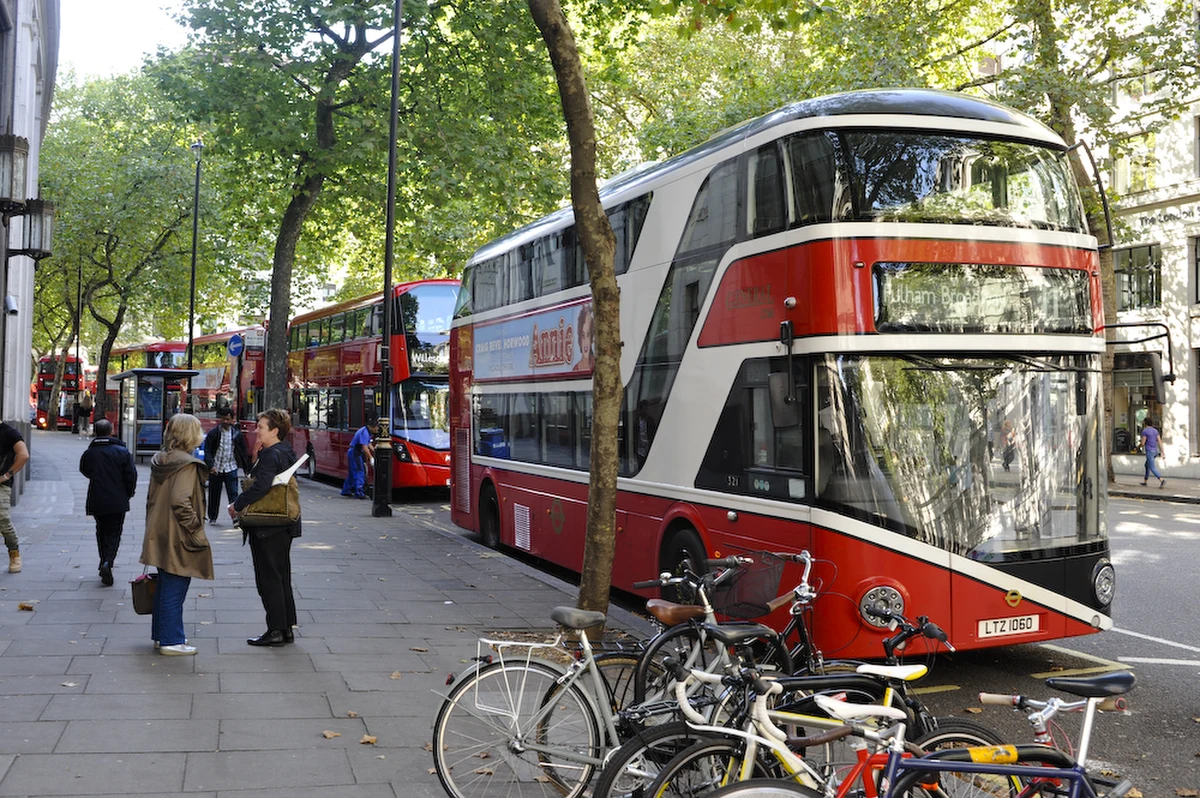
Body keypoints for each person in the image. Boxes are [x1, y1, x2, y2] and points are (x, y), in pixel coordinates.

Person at [141, 413, 212, 655]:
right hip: (178, 534)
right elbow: (180, 501)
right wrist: (195, 527)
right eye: (199, 428)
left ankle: (162, 636)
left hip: (160, 531)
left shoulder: (162, 459)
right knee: (175, 585)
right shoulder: (186, 464)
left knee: (165, 585)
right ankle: (172, 640)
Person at [231, 408, 300, 647]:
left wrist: (237, 505)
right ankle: (286, 628)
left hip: (268, 525)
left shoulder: (271, 454)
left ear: (274, 430)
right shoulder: (285, 451)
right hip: (283, 525)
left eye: (261, 427)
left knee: (268, 578)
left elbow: (261, 487)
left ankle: (276, 630)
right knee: (281, 577)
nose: (256, 430)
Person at [79, 419, 137, 586]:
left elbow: (84, 470)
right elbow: (131, 475)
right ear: (111, 431)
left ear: (96, 432)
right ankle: (108, 561)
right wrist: (129, 492)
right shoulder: (122, 451)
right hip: (117, 498)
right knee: (114, 532)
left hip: (97, 497)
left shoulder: (90, 453)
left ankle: (103, 559)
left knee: (101, 530)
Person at [202, 406, 252, 525]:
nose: (225, 421)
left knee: (233, 494)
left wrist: (247, 470)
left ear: (232, 420)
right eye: (223, 419)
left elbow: (243, 452)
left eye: (228, 419)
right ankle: (213, 517)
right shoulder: (214, 433)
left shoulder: (237, 434)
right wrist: (211, 465)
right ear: (220, 419)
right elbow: (208, 451)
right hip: (217, 468)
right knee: (214, 493)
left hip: (231, 467)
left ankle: (235, 518)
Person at [0, 421, 29, 573]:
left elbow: (23, 455)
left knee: (2, 519)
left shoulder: (9, 432)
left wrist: (6, 475)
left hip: (1, 486)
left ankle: (14, 552)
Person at [341, 418, 377, 499]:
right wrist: (371, 457)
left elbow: (368, 443)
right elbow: (364, 447)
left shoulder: (365, 431)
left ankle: (346, 490)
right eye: (376, 427)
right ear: (371, 427)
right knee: (359, 471)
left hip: (354, 451)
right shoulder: (364, 433)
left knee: (352, 472)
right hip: (355, 453)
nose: (377, 429)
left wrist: (374, 451)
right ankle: (359, 492)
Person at [1140, 417, 1165, 488]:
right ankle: (1145, 481)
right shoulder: (1155, 431)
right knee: (1147, 465)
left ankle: (1161, 480)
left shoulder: (1145, 431)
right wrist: (1162, 452)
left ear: (1145, 423)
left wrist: (1138, 446)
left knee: (1152, 467)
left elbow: (1143, 443)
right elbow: (1160, 441)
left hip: (1149, 451)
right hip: (1155, 451)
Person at [573, 303, 595, 372]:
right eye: (583, 335)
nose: (585, 342)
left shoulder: (596, 365)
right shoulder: (575, 369)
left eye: (588, 335)